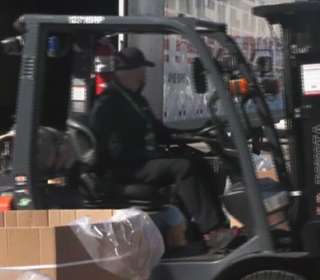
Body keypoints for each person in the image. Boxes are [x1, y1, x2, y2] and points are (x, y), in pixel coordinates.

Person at [91, 47, 233, 248]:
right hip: (128, 167)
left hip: (143, 159)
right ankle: (212, 231)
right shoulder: (109, 104)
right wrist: (154, 154)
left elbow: (160, 132)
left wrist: (195, 134)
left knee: (200, 161)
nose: (145, 76)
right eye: (143, 71)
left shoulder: (137, 100)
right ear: (135, 71)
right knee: (184, 168)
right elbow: (117, 151)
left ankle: (201, 228)